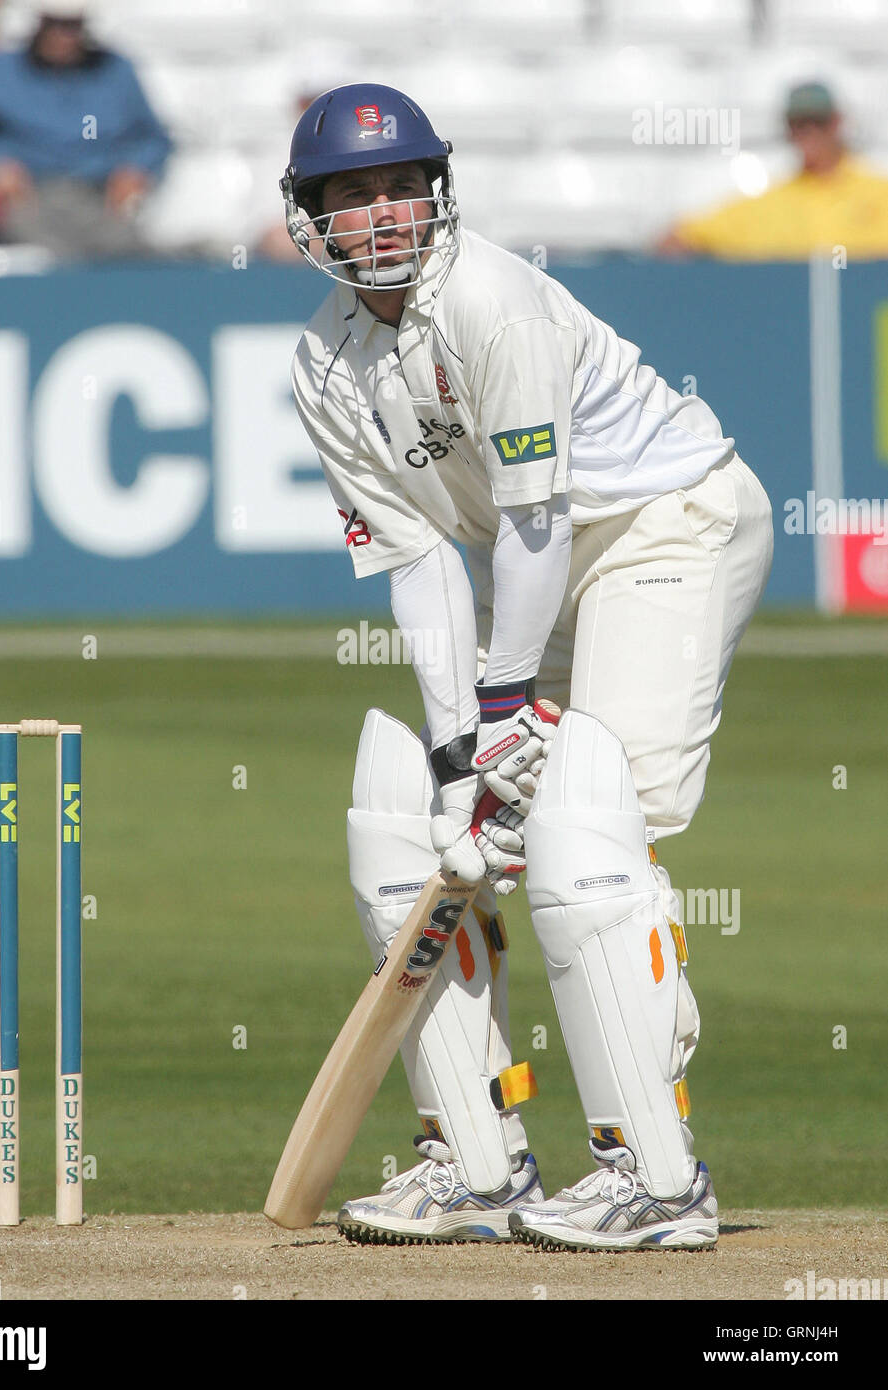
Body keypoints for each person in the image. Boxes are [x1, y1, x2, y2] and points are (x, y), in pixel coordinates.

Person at [284, 85, 773, 1252]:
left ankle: (656, 1177)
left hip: (662, 525)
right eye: (356, 195)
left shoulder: (494, 302)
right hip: (524, 565)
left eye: (405, 184)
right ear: (316, 219)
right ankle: (476, 1158)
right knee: (411, 808)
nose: (387, 211)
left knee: (581, 815)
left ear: (439, 191)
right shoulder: (324, 362)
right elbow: (417, 565)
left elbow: (541, 521)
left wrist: (509, 715)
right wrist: (465, 748)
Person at [0, 0, 171, 260]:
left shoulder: (115, 71)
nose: (64, 36)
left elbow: (153, 138)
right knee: (51, 259)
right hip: (30, 200)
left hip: (101, 200)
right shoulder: (1, 72)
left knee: (129, 255)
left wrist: (137, 168)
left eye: (72, 25)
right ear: (38, 24)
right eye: (54, 25)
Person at [658, 80, 888, 260]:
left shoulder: (880, 193)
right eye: (798, 124)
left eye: (818, 121)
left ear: (837, 122)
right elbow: (683, 237)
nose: (808, 131)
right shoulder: (768, 204)